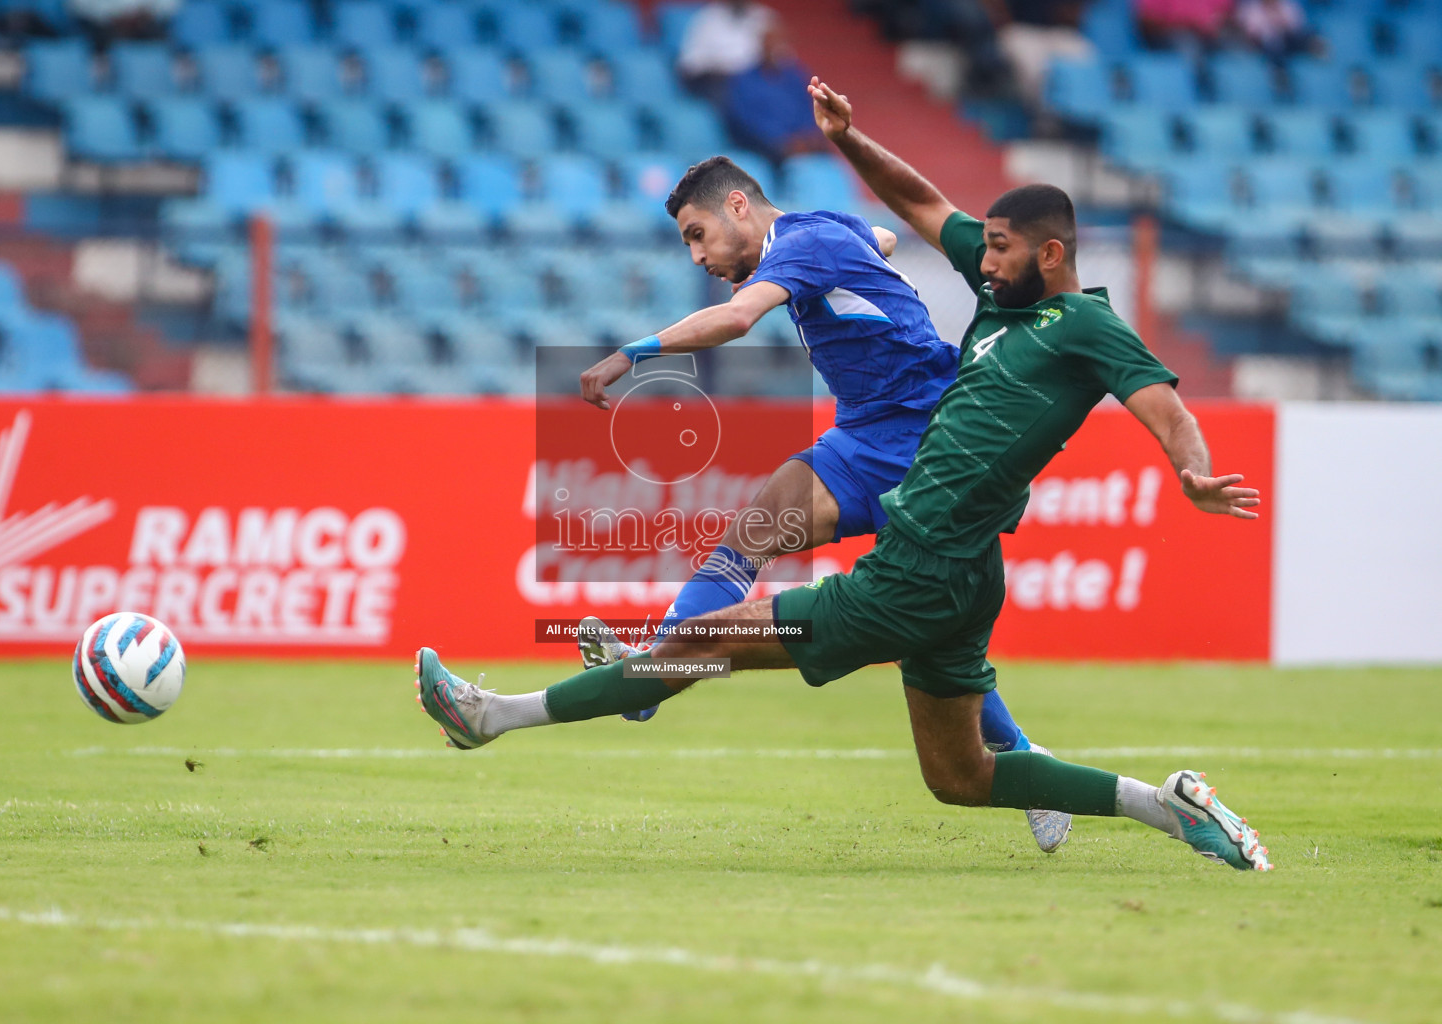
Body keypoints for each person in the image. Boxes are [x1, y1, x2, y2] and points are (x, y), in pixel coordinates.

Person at [412, 87, 1273, 870]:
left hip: (921, 433)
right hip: (863, 434)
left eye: (698, 234)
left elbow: (741, 315)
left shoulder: (810, 245)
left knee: (898, 606)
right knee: (758, 538)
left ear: (740, 206)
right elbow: (902, 223)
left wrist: (634, 353)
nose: (698, 255)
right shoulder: (839, 234)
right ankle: (648, 678)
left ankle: (632, 682)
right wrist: (860, 177)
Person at [721, 28, 833, 163]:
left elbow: (809, 108)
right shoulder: (744, 80)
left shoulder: (795, 76)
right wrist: (784, 140)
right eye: (769, 44)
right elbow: (745, 120)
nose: (774, 48)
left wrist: (807, 137)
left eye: (778, 43)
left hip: (801, 142)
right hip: (765, 145)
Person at [677, 1, 777, 102]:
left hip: (755, 80)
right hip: (716, 80)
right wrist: (718, 68)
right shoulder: (708, 18)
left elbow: (779, 59)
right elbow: (689, 64)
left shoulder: (764, 17)